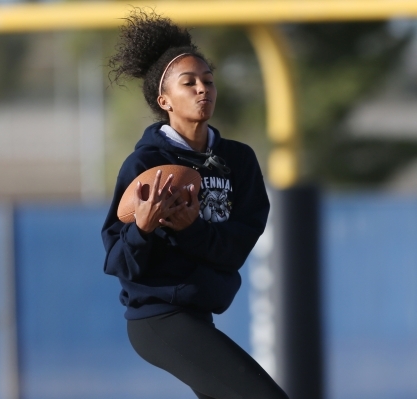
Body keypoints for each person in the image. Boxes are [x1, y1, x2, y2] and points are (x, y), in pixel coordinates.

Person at [101, 9, 288, 399]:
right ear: (164, 99)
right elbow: (118, 262)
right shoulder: (146, 165)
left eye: (208, 80)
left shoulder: (237, 160)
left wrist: (191, 229)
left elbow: (235, 247)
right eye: (189, 83)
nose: (203, 89)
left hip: (200, 313)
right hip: (158, 318)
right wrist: (143, 229)